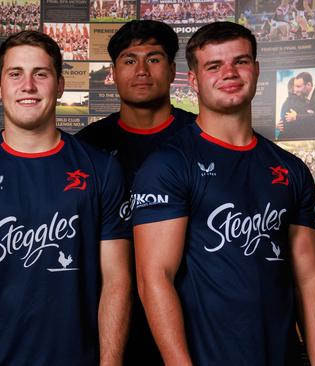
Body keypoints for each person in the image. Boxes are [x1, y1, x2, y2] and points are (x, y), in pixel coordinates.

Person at [0, 30, 132, 365]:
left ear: (60, 85)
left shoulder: (102, 169)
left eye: (41, 74)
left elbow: (117, 281)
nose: (28, 86)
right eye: (15, 74)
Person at [132, 22, 315, 365]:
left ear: (255, 70)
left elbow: (310, 277)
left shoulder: (291, 168)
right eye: (213, 66)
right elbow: (155, 278)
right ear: (193, 80)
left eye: (240, 61)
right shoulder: (168, 165)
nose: (229, 73)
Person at [76, 19, 196, 365]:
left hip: (188, 316)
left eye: (154, 59)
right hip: (107, 317)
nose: (141, 70)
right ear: (112, 72)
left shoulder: (199, 138)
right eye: (129, 60)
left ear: (173, 70)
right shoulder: (87, 148)